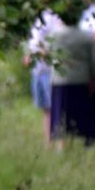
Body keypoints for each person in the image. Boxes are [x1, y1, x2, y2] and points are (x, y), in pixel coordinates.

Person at [48, 5, 95, 147]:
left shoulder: (54, 36)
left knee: (60, 114)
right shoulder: (86, 37)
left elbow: (47, 54)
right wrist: (92, 78)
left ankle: (61, 145)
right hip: (80, 80)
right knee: (80, 112)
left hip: (59, 80)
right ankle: (81, 140)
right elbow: (93, 62)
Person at [22, 8, 59, 141]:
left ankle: (60, 144)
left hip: (49, 71)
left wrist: (41, 52)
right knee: (46, 109)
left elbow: (56, 42)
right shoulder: (38, 17)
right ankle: (48, 142)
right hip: (37, 71)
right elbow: (33, 41)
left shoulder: (54, 18)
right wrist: (28, 54)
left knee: (55, 107)